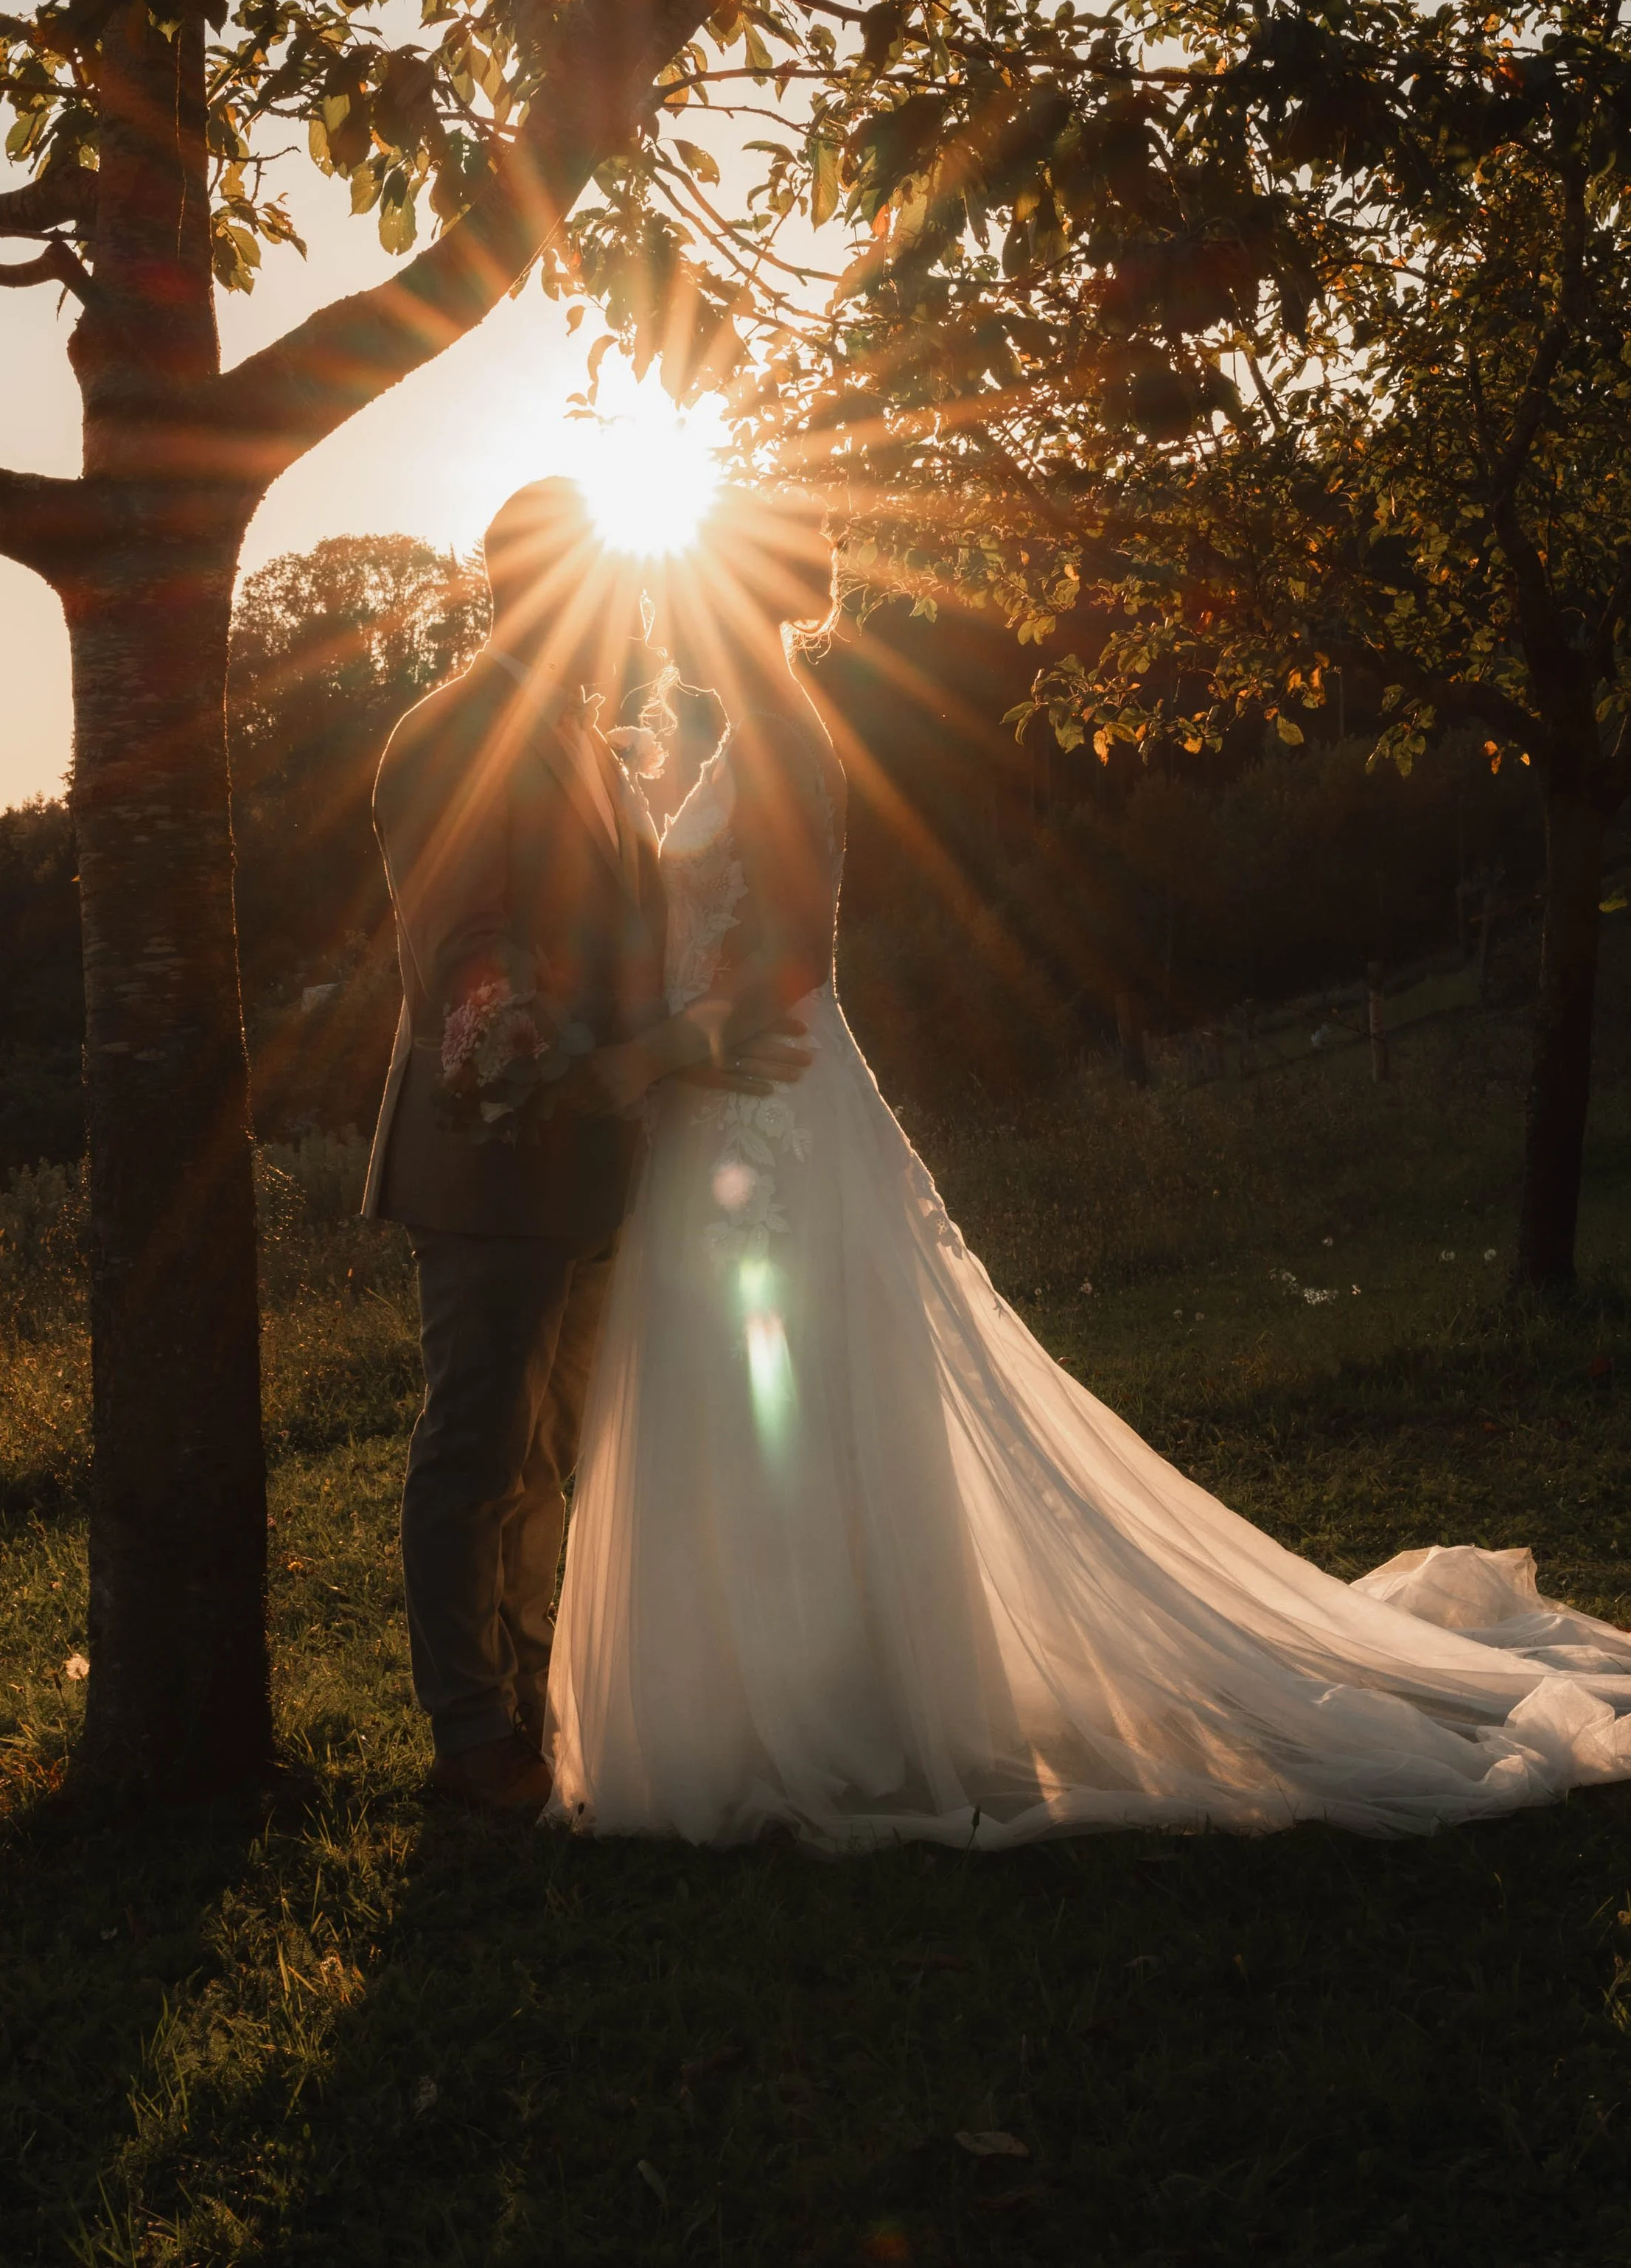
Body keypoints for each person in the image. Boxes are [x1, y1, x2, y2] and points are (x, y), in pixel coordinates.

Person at [545, 486, 1631, 1847]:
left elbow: (792, 953)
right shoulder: (746, 730)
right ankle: (775, 1685)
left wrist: (658, 1054)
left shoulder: (775, 736)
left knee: (801, 1394)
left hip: (762, 1101)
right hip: (731, 1109)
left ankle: (828, 1703)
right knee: (775, 1396)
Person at [363, 478, 807, 1812]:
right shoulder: (450, 733)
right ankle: (469, 1737)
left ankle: (538, 1695)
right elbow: (468, 955)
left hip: (593, 1164)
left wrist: (694, 1035)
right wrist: (604, 1064)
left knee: (550, 1453)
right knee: (478, 1448)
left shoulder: (588, 740)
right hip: (495, 1154)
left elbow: (616, 943)